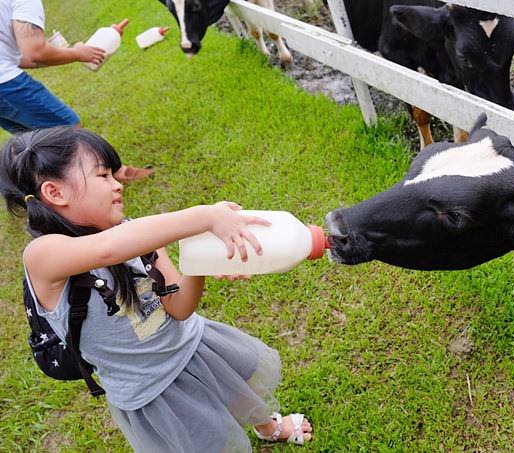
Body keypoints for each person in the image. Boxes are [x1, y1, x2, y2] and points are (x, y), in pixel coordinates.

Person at [0, 127, 313, 451]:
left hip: (192, 346)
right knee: (208, 440)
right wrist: (205, 216)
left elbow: (179, 308)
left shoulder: (137, 237)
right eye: (103, 175)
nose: (117, 184)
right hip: (151, 388)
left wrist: (199, 265)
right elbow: (108, 250)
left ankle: (267, 426)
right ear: (55, 192)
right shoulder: (43, 256)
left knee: (236, 388)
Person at [0, 0, 151, 181]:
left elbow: (19, 57)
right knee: (70, 128)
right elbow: (35, 52)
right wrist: (79, 54)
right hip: (5, 83)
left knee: (34, 140)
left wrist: (76, 52)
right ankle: (114, 172)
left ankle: (54, 188)